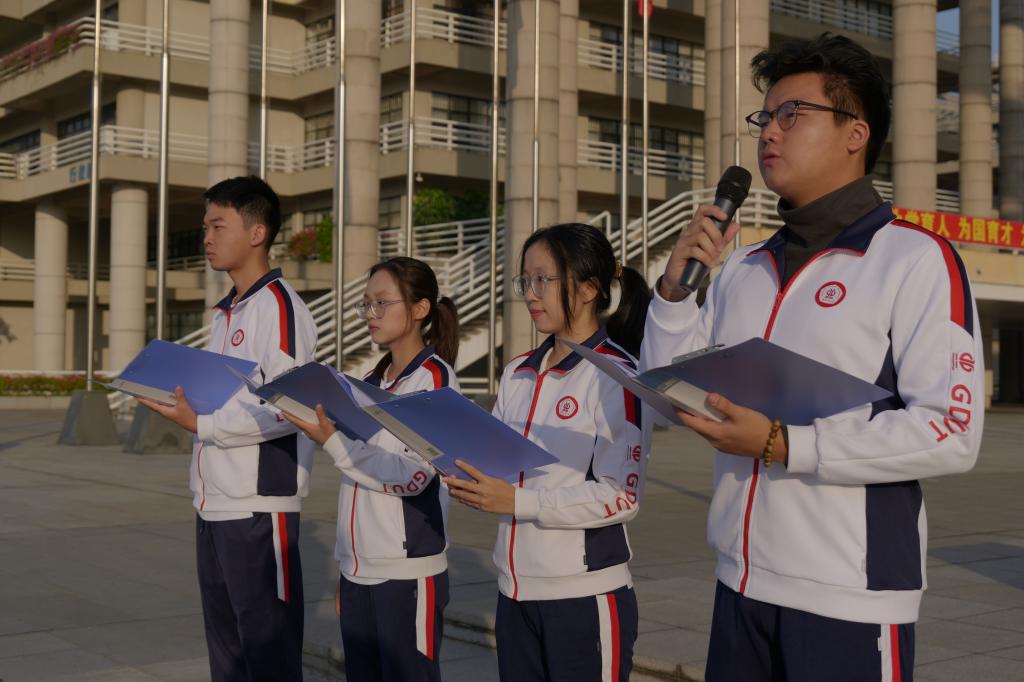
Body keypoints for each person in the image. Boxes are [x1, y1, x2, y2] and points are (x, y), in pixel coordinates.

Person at [640, 33, 984, 681]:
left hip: (848, 597)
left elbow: (951, 432)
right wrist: (673, 296)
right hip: (739, 585)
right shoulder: (743, 267)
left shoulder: (913, 259)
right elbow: (667, 399)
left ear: (856, 133)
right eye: (765, 117)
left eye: (792, 114)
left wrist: (785, 444)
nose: (769, 131)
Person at [445, 222, 652, 682]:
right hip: (514, 594)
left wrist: (519, 502)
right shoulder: (518, 372)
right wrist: (456, 463)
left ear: (589, 288)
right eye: (525, 281)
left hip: (583, 597)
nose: (531, 294)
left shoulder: (617, 375)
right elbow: (499, 464)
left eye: (543, 279)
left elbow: (622, 496)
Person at [140, 175, 317, 681]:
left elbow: (292, 405)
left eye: (218, 226)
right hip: (213, 504)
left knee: (268, 656)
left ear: (257, 233)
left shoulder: (279, 307)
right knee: (228, 655)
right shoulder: (226, 313)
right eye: (205, 227)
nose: (207, 237)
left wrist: (204, 423)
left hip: (259, 508)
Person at [283, 256, 459, 681]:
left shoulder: (435, 381)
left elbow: (415, 476)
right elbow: (359, 481)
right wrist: (349, 569)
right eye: (366, 304)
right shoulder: (371, 382)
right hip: (361, 573)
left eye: (382, 302)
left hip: (406, 574)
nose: (371, 314)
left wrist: (334, 442)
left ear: (420, 308)